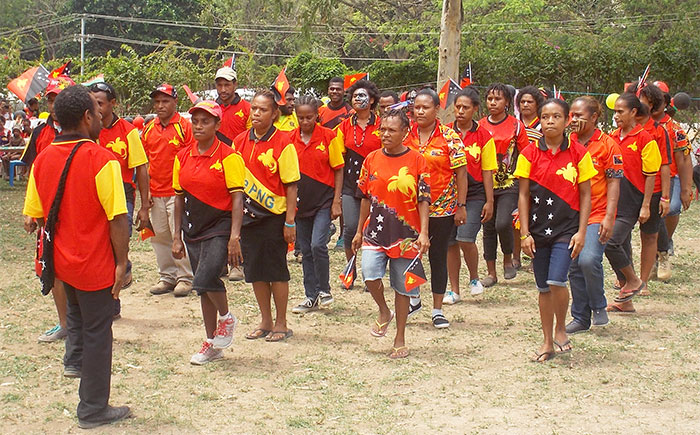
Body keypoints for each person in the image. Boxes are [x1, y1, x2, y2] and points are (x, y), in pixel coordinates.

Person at [22, 84, 131, 428]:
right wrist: (122, 262)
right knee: (99, 332)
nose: (101, 118)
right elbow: (117, 218)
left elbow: (38, 217)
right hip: (95, 263)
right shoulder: (102, 160)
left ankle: (74, 364)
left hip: (62, 263)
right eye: (97, 114)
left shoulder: (42, 160)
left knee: (79, 318)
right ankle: (93, 408)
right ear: (87, 117)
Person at [515, 98, 595, 362]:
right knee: (543, 288)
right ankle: (547, 340)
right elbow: (523, 195)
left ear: (567, 120)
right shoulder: (528, 153)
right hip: (537, 231)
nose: (550, 121)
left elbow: (586, 195)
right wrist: (524, 233)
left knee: (557, 280)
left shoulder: (579, 153)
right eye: (546, 117)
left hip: (567, 228)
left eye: (556, 117)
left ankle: (561, 327)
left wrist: (582, 232)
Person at [171, 101, 245, 364]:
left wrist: (234, 236)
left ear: (217, 124)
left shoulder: (229, 156)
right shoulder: (181, 157)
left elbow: (238, 197)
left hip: (220, 226)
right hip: (193, 228)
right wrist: (176, 236)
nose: (199, 126)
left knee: (203, 278)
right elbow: (179, 198)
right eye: (196, 121)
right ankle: (211, 342)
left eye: (206, 121)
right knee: (204, 289)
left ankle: (226, 318)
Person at [352, 109, 431, 359]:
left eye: (391, 130)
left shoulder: (418, 161)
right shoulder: (371, 159)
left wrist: (424, 233)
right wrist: (357, 230)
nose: (385, 134)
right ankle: (383, 311)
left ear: (405, 132)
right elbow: (364, 197)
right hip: (375, 232)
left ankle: (400, 337)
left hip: (407, 234)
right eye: (382, 129)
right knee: (370, 275)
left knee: (403, 288)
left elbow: (423, 200)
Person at [233, 90, 299, 342]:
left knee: (276, 271)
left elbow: (292, 185)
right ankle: (265, 320)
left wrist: (290, 221)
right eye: (254, 109)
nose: (256, 114)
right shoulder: (239, 141)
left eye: (262, 110)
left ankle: (281, 322)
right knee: (255, 270)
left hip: (275, 217)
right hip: (247, 218)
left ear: (274, 114)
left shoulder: (284, 142)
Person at [403, 88, 467, 328]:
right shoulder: (405, 134)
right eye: (417, 107)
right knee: (408, 255)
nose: (420, 111)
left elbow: (461, 173)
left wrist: (461, 205)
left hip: (443, 208)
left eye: (425, 107)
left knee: (437, 256)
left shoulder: (450, 137)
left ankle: (437, 308)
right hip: (409, 208)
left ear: (437, 109)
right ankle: (413, 298)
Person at [21, 79, 73, 343]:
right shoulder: (41, 131)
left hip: (77, 211)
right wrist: (31, 210)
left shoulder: (86, 128)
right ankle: (64, 323)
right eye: (51, 99)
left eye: (60, 99)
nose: (55, 105)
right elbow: (33, 172)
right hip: (48, 214)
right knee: (52, 268)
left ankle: (87, 321)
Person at [565, 97, 622, 334]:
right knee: (574, 266)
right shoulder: (567, 143)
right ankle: (580, 316)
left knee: (588, 259)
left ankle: (599, 305)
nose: (574, 119)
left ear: (594, 117)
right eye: (572, 115)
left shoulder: (608, 145)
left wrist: (609, 217)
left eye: (579, 115)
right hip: (571, 215)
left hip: (597, 213)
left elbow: (614, 183)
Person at [90, 82, 150, 298]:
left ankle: (121, 273)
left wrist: (144, 207)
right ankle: (110, 304)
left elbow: (141, 169)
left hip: (122, 193)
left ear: (112, 104)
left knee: (118, 244)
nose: (96, 108)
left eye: (100, 103)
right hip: (94, 195)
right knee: (100, 248)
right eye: (92, 103)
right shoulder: (87, 130)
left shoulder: (129, 131)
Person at [604, 93, 661, 313]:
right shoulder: (612, 137)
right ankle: (625, 299)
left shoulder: (645, 138)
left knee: (611, 241)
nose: (616, 116)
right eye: (615, 111)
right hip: (614, 201)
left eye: (620, 111)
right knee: (622, 245)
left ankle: (633, 281)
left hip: (632, 201)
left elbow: (651, 175)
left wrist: (646, 205)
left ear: (634, 112)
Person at [290, 96, 344, 313]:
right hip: (301, 203)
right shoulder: (289, 139)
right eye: (300, 118)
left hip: (323, 200)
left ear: (317, 116)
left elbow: (338, 169)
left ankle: (324, 289)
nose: (304, 122)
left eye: (309, 117)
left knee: (317, 245)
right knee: (305, 250)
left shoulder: (329, 137)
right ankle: (310, 295)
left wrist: (336, 201)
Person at [141, 84, 195, 297]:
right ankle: (167, 277)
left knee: (178, 234)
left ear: (175, 102)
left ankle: (185, 278)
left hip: (178, 192)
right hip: (156, 192)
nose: (161, 106)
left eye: (165, 101)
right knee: (159, 236)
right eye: (157, 102)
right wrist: (146, 193)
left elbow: (192, 157)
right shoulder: (148, 129)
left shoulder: (185, 126)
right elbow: (144, 163)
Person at [445, 87, 497, 302]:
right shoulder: (445, 132)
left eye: (466, 107)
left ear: (475, 109)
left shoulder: (484, 136)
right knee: (450, 243)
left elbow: (487, 171)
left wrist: (490, 201)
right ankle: (454, 290)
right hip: (448, 193)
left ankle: (474, 277)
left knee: (465, 238)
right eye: (457, 107)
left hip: (475, 195)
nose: (460, 111)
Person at [478, 84, 531, 287]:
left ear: (507, 102)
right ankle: (491, 273)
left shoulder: (516, 126)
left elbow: (526, 153)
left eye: (497, 99)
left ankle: (508, 258)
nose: (493, 102)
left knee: (503, 223)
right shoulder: (480, 125)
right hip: (485, 184)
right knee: (488, 227)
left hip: (510, 183)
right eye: (490, 98)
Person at [625, 83, 671, 296]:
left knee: (649, 236)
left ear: (651, 104)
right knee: (621, 236)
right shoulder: (623, 130)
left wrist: (665, 197)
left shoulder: (658, 131)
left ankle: (643, 282)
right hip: (627, 191)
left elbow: (664, 166)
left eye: (641, 98)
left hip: (652, 193)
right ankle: (626, 278)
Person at [336, 79, 382, 289]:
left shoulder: (383, 125)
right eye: (354, 96)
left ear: (372, 100)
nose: (357, 99)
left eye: (362, 96)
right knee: (350, 228)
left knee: (373, 230)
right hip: (349, 184)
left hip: (376, 185)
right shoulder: (344, 126)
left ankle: (370, 275)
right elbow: (337, 159)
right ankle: (350, 269)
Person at [214, 66, 251, 281]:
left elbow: (248, 138)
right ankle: (219, 264)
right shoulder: (211, 108)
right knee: (218, 215)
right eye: (219, 84)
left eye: (227, 84)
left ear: (235, 85)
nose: (223, 89)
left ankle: (237, 263)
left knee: (239, 216)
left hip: (238, 169)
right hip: (214, 170)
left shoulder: (246, 108)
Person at [653, 85, 692, 280]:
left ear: (666, 103)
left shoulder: (674, 129)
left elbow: (684, 160)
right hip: (650, 178)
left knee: (672, 208)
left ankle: (664, 246)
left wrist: (686, 189)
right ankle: (656, 252)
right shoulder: (642, 125)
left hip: (672, 177)